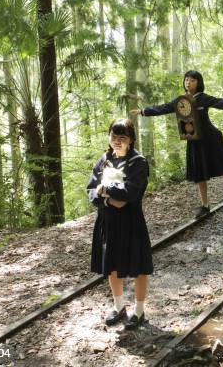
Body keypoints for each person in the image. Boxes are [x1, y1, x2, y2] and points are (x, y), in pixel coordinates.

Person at [131, 70, 223, 219]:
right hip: (194, 141)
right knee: (200, 175)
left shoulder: (203, 98)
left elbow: (220, 102)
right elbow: (163, 107)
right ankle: (205, 206)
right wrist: (144, 111)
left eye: (192, 80)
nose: (188, 82)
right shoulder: (180, 100)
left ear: (198, 83)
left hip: (212, 139)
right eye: (186, 79)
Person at [87, 118, 152, 330]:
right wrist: (107, 199)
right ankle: (118, 306)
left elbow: (131, 194)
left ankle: (139, 311)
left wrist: (105, 191)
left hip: (131, 221)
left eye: (122, 138)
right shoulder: (104, 160)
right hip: (107, 221)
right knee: (112, 264)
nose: (117, 141)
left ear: (130, 140)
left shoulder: (138, 162)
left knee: (139, 266)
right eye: (114, 136)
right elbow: (90, 189)